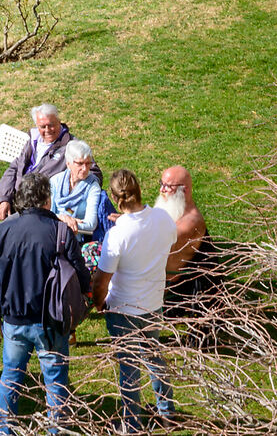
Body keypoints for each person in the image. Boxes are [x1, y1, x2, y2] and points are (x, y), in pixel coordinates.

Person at [0, 173, 84, 433]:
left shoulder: (3, 231)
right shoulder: (60, 230)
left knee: (11, 378)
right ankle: (57, 430)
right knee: (56, 382)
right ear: (47, 200)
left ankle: (4, 431)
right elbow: (81, 274)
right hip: (51, 323)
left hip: (14, 321)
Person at [92, 168, 177, 428]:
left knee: (129, 368)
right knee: (154, 356)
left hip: (123, 309)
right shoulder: (164, 219)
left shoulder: (116, 235)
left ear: (117, 199)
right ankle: (167, 410)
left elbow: (101, 281)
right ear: (139, 190)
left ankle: (131, 423)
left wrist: (98, 304)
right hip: (153, 304)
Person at [0, 104, 73, 251]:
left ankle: (5, 259)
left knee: (8, 225)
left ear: (59, 121)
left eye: (51, 125)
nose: (47, 130)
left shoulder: (69, 146)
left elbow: (92, 171)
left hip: (37, 204)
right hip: (16, 195)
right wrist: (4, 199)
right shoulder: (32, 141)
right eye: (42, 126)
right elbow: (13, 168)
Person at [49, 142, 110, 252]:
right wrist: (64, 219)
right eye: (80, 163)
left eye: (88, 163)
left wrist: (67, 224)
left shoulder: (92, 186)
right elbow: (47, 214)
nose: (85, 168)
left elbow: (91, 224)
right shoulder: (55, 181)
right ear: (68, 164)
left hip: (76, 242)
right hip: (51, 236)